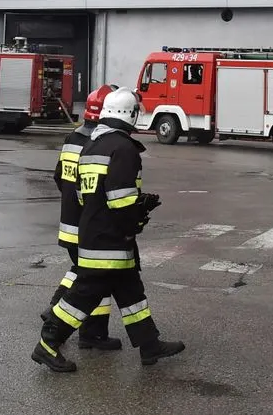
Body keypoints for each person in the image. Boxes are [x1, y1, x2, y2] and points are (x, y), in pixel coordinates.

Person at [32, 88, 184, 373]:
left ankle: (150, 345)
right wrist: (138, 215)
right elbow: (122, 200)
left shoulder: (93, 146)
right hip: (110, 239)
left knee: (131, 292)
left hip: (95, 232)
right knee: (84, 294)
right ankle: (48, 344)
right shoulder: (123, 149)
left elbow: (80, 194)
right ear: (132, 114)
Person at [41, 84, 123, 351]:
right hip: (89, 225)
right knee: (93, 279)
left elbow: (59, 177)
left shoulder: (72, 138)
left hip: (69, 223)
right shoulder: (98, 143)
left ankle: (73, 319)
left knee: (84, 272)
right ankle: (76, 327)